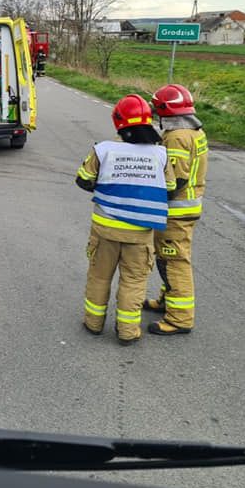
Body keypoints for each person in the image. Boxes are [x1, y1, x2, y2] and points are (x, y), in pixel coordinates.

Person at [75, 95, 175, 345]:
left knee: (99, 277)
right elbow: (171, 187)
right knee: (133, 282)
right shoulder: (160, 154)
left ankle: (93, 323)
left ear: (118, 121)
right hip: (140, 234)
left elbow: (83, 179)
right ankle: (128, 331)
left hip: (105, 230)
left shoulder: (104, 149)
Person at [143, 83, 209, 336]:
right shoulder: (194, 131)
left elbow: (175, 180)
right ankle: (166, 301)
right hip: (186, 209)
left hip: (177, 212)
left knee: (174, 262)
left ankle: (180, 318)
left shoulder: (177, 137)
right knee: (166, 258)